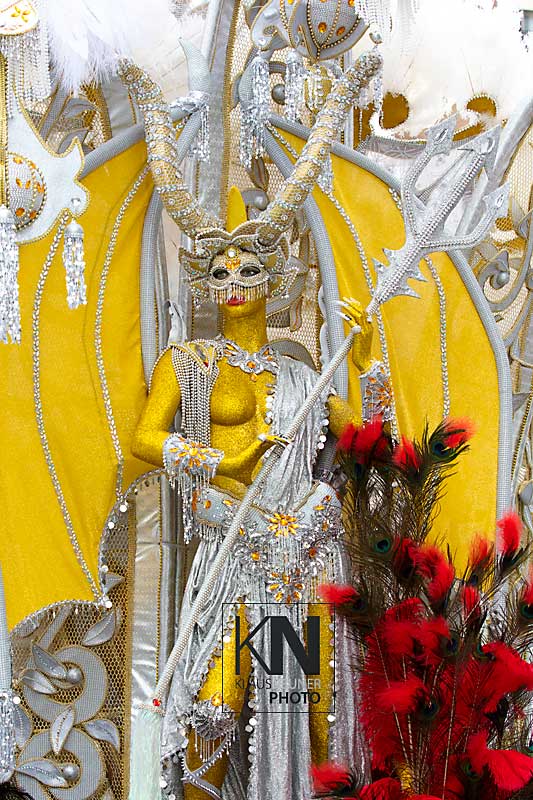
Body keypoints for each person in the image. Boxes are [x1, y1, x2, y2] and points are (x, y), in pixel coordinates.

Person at [122, 51, 389, 799]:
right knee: (209, 709)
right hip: (229, 552)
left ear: (276, 280)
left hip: (294, 559)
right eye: (220, 272)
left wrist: (364, 359)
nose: (234, 283)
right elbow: (146, 440)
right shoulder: (189, 362)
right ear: (205, 281)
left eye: (249, 270)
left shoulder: (300, 372)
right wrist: (224, 455)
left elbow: (361, 444)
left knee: (299, 710)